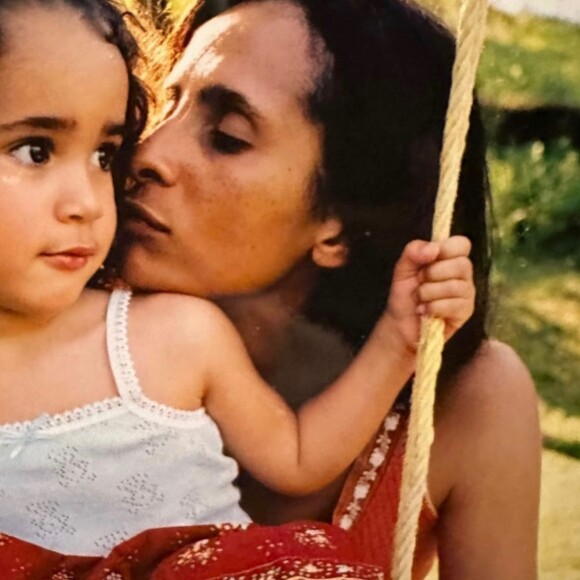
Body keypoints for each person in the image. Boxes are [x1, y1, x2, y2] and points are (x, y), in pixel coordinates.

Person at [0, 0, 475, 565]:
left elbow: (296, 458)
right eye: (35, 150)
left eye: (105, 154)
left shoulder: (171, 333)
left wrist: (398, 340)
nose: (88, 200)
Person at [116, 0, 540, 577]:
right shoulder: (65, 328)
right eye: (164, 108)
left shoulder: (460, 399)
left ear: (338, 223)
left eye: (227, 136)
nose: (144, 154)